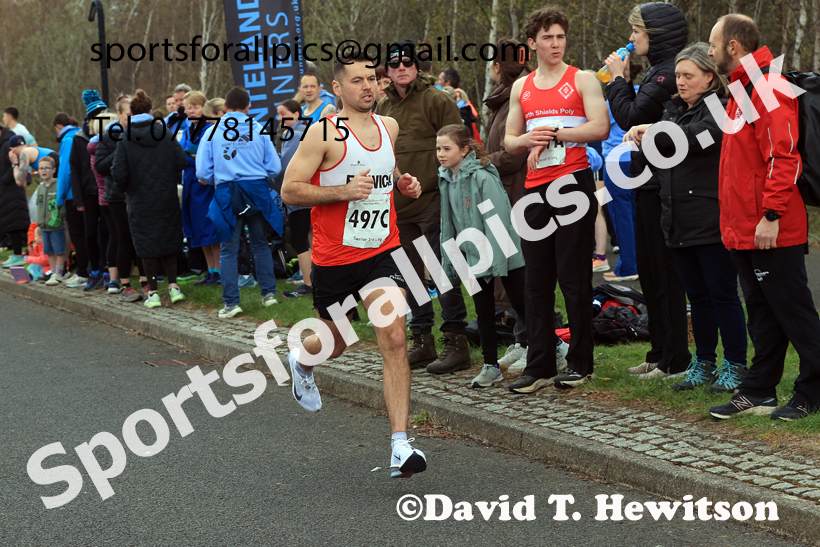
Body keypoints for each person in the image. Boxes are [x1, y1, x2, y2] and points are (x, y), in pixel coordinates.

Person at [281, 49, 427, 479]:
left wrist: (403, 182)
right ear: (337, 88)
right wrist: (341, 192)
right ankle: (303, 362)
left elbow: (385, 170)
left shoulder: (390, 125)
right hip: (335, 258)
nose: (368, 87)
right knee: (336, 340)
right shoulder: (323, 133)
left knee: (395, 336)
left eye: (373, 79)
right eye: (358, 80)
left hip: (382, 252)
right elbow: (290, 189)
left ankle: (401, 445)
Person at [706, 15, 820, 421]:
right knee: (763, 314)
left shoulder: (768, 87)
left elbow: (783, 156)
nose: (709, 50)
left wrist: (771, 214)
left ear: (733, 47)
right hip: (744, 229)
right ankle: (759, 390)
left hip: (772, 227)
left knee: (793, 313)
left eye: (713, 43)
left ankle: (811, 391)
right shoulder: (742, 89)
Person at [624, 43, 748, 389]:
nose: (680, 81)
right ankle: (704, 363)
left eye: (688, 75)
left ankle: (736, 364)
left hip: (710, 217)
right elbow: (655, 156)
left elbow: (695, 140)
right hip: (675, 219)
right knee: (698, 299)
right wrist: (644, 132)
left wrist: (655, 131)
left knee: (723, 296)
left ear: (709, 77)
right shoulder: (672, 112)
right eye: (677, 75)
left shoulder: (722, 109)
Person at [504, 6, 610, 392]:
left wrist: (556, 134)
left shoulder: (580, 79)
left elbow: (600, 126)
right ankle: (540, 364)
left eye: (560, 37)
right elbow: (509, 140)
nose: (555, 44)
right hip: (535, 189)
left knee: (573, 277)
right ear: (532, 43)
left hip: (571, 184)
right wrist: (528, 140)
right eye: (547, 38)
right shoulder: (523, 86)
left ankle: (581, 363)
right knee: (536, 281)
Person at [604, 1, 690, 378]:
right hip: (646, 181)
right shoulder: (657, 69)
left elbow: (631, 116)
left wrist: (617, 79)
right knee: (650, 272)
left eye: (637, 30)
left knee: (665, 272)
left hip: (663, 186)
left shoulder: (668, 73)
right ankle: (659, 351)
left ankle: (675, 357)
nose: (631, 37)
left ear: (656, 34)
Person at [375, 40, 471, 374]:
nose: (401, 68)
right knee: (410, 275)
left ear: (417, 66)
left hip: (434, 201)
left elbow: (462, 145)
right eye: (395, 64)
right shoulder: (383, 108)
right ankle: (423, 340)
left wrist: (455, 196)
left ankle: (457, 341)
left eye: (407, 63)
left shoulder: (437, 99)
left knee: (445, 272)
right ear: (387, 70)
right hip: (399, 208)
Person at [436, 124, 527, 388]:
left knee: (523, 304)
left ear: (464, 150)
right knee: (483, 311)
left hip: (502, 254)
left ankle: (552, 346)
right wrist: (451, 260)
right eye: (438, 148)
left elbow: (497, 220)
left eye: (447, 148)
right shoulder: (445, 178)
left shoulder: (483, 177)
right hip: (471, 257)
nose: (441, 154)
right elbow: (448, 223)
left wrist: (496, 263)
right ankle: (490, 365)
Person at [196, 86, 283, 318]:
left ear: (224, 107)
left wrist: (219, 176)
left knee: (228, 249)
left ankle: (231, 303)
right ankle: (269, 295)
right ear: (249, 106)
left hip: (227, 191)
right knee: (260, 243)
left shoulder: (212, 132)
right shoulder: (260, 129)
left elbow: (203, 171)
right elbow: (274, 167)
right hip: (256, 190)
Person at [112, 89, 187, 309]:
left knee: (146, 243)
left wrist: (127, 189)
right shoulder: (164, 132)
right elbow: (181, 160)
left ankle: (153, 292)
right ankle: (173, 287)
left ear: (131, 114)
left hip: (139, 198)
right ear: (151, 111)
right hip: (166, 195)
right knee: (169, 238)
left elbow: (118, 173)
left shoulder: (125, 138)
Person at [96, 96, 149, 302]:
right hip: (117, 196)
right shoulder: (109, 137)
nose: (132, 118)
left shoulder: (142, 133)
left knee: (141, 238)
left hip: (140, 193)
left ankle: (146, 282)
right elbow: (100, 166)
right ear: (119, 114)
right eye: (128, 114)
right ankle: (125, 285)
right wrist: (121, 150)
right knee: (123, 239)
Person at [600, 62, 642, 283]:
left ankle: (628, 266)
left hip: (616, 160)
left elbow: (601, 128)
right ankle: (637, 262)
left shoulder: (611, 102)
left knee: (621, 215)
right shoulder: (641, 94)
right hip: (637, 159)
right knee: (637, 215)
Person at [179, 91, 221, 286]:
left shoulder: (209, 129)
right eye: (188, 107)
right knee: (199, 230)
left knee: (211, 229)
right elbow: (179, 155)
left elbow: (212, 157)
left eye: (195, 106)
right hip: (191, 185)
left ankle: (219, 270)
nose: (191, 110)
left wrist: (195, 159)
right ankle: (210, 270)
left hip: (206, 186)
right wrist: (190, 158)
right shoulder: (187, 130)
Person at [72, 90, 111, 292]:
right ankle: (93, 269)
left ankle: (106, 270)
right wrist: (77, 198)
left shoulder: (111, 136)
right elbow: (75, 169)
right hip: (88, 193)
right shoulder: (79, 138)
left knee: (106, 233)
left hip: (106, 192)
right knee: (89, 235)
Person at [274, 99, 312, 299]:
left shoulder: (295, 135)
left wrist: (268, 175)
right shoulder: (304, 132)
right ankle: (316, 280)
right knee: (312, 239)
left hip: (300, 197)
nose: (279, 118)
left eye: (282, 113)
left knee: (299, 240)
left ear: (296, 114)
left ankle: (308, 285)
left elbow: (283, 169)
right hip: (311, 194)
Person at [88, 110, 120, 293]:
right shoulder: (105, 146)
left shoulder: (93, 146)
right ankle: (113, 276)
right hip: (112, 196)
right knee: (116, 238)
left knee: (111, 237)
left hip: (103, 197)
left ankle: (111, 275)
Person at [32, 156, 68, 284]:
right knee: (49, 252)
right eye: (41, 168)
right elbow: (39, 205)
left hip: (56, 226)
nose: (44, 170)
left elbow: (64, 205)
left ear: (54, 169)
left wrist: (60, 218)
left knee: (59, 251)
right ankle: (53, 273)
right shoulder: (40, 187)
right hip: (44, 226)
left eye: (47, 168)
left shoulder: (58, 185)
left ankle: (59, 274)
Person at [0, 131, 31, 269]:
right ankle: (17, 253)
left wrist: (4, 180)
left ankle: (18, 255)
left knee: (15, 224)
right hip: (7, 192)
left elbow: (15, 163)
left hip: (12, 191)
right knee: (11, 224)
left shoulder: (8, 145)